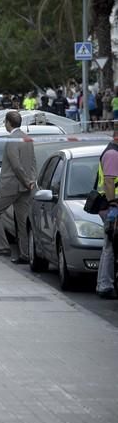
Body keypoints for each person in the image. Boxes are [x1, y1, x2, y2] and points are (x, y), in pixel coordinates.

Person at [0, 111, 36, 262]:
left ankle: (2, 247)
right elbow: (33, 162)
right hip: (25, 188)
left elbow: (16, 165)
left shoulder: (11, 140)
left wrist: (26, 180)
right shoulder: (27, 138)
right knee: (22, 221)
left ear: (8, 122)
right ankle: (25, 254)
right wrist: (32, 180)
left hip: (11, 186)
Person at [95, 127, 118, 298]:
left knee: (109, 246)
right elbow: (109, 182)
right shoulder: (113, 154)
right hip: (112, 207)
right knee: (110, 247)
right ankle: (105, 285)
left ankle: (104, 283)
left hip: (111, 206)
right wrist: (113, 206)